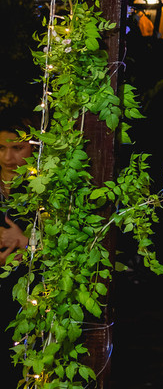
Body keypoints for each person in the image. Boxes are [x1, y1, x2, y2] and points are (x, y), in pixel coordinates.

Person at [0, 111, 34, 387]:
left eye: (16, 148)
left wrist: (24, 241)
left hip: (29, 294)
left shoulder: (43, 189)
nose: (7, 158)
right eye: (0, 148)